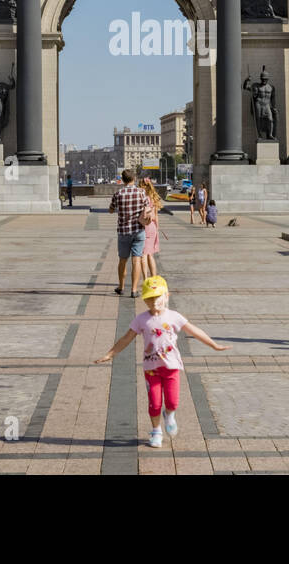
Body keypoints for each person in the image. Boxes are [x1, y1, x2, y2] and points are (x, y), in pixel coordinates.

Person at [95, 275, 228, 448]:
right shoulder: (141, 319)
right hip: (151, 369)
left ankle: (170, 415)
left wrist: (214, 345)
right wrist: (110, 354)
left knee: (172, 402)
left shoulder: (174, 317)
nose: (154, 302)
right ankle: (156, 431)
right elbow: (126, 338)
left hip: (171, 368)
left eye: (157, 297)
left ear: (166, 296)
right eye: (149, 298)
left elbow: (194, 331)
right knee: (155, 403)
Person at [108, 168, 148, 297]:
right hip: (138, 230)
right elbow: (147, 208)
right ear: (134, 179)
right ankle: (134, 290)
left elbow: (111, 210)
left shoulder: (118, 194)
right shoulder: (142, 193)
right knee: (136, 260)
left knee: (123, 260)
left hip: (124, 231)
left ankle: (121, 286)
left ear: (123, 180)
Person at [139, 176, 164, 278]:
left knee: (143, 255)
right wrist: (157, 229)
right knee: (150, 255)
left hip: (146, 226)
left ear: (142, 186)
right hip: (153, 226)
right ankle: (154, 278)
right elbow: (156, 216)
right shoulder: (153, 198)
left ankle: (145, 279)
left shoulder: (144, 198)